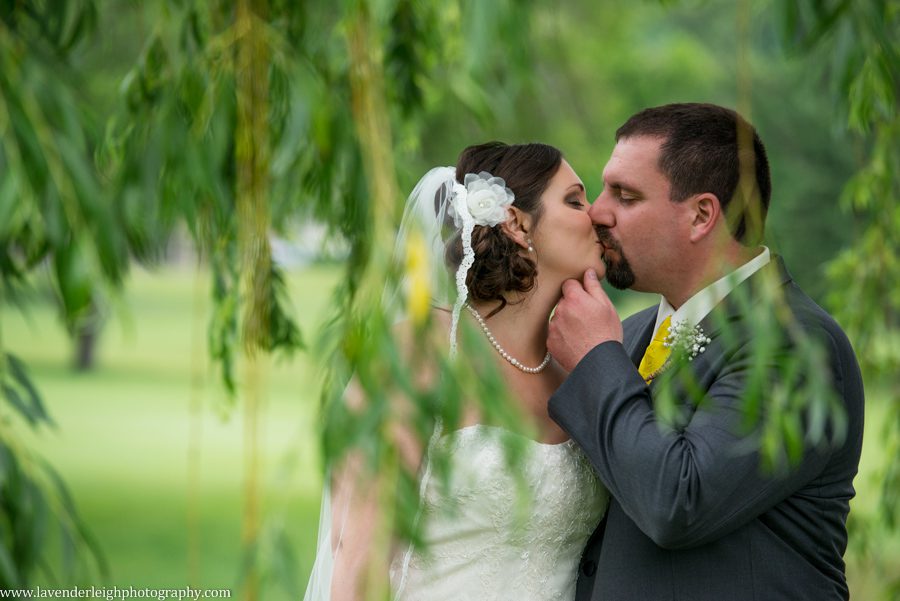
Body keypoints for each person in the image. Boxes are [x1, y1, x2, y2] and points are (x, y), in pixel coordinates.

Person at [546, 103, 865, 600]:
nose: (597, 212)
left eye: (625, 196)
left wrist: (594, 359)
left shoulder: (798, 346)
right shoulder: (628, 334)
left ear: (701, 215)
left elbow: (679, 502)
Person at [304, 141, 610, 601]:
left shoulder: (578, 368)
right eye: (575, 201)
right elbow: (359, 559)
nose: (597, 215)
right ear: (516, 223)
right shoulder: (419, 353)